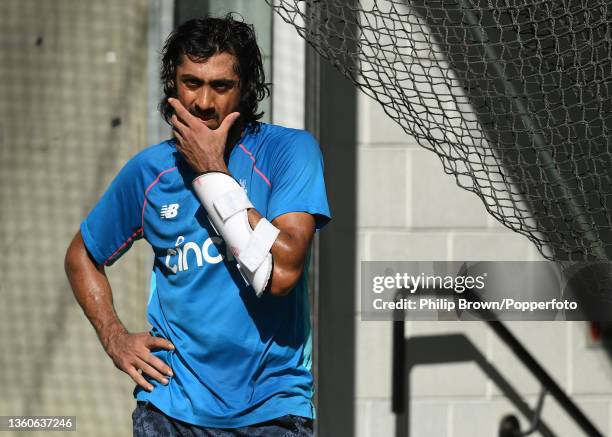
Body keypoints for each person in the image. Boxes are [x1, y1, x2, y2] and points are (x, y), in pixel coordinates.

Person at [64, 15, 330, 437]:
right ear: (173, 84)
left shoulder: (289, 152)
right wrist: (114, 338)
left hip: (271, 410)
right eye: (191, 83)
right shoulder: (149, 171)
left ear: (245, 89)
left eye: (220, 86)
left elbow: (282, 274)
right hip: (170, 407)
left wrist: (213, 172)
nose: (203, 102)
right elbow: (82, 255)